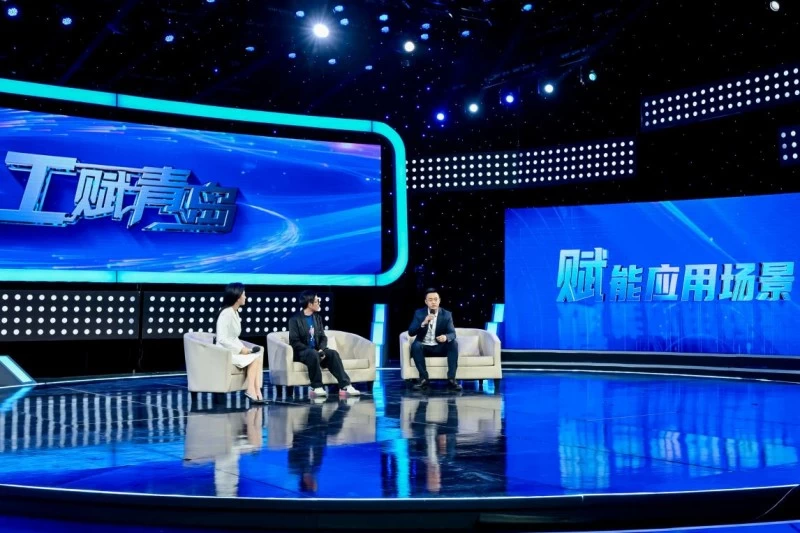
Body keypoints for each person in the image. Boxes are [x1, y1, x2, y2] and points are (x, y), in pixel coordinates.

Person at [288, 290, 360, 397]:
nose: (319, 303)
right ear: (310, 304)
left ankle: (345, 385)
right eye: (317, 301)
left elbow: (323, 337)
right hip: (303, 352)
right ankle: (316, 386)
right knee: (312, 353)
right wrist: (312, 350)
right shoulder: (294, 320)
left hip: (317, 350)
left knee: (333, 354)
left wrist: (321, 348)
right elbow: (294, 342)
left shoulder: (317, 318)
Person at [216, 282, 265, 403]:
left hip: (233, 350)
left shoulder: (235, 312)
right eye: (244, 294)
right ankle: (250, 390)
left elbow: (234, 338)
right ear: (237, 296)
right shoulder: (226, 313)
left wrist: (245, 349)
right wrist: (241, 350)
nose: (245, 297)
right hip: (224, 352)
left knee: (257, 357)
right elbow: (222, 339)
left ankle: (257, 391)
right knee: (254, 359)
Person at [407, 288, 462, 391]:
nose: (433, 302)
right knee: (416, 345)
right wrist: (423, 323)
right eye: (430, 300)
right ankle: (424, 379)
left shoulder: (446, 314)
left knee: (453, 343)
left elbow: (452, 333)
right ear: (426, 302)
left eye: (436, 299)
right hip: (424, 347)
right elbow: (411, 332)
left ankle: (452, 379)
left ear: (439, 300)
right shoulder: (419, 313)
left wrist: (445, 337)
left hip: (439, 347)